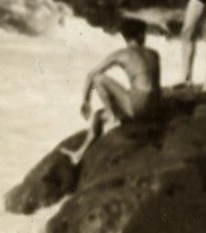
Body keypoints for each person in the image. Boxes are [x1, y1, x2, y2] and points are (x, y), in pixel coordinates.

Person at [68, 19, 161, 162]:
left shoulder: (121, 54)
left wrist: (85, 101)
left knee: (99, 78)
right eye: (145, 34)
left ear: (125, 37)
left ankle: (112, 117)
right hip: (155, 107)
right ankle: (80, 153)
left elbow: (91, 75)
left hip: (139, 107)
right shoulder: (154, 53)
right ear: (140, 35)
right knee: (99, 115)